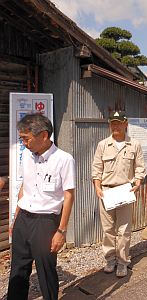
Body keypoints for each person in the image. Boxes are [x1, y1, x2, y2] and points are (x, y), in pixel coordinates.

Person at [7, 114, 75, 300]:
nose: (24, 143)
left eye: (26, 139)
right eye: (22, 138)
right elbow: (24, 187)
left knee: (45, 270)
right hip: (24, 219)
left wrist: (61, 230)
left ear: (43, 136)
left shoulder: (64, 159)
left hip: (45, 222)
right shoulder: (27, 157)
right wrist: (15, 218)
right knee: (18, 269)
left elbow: (69, 196)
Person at [92, 111, 146, 277]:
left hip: (125, 190)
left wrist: (138, 181)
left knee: (123, 230)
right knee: (108, 229)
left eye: (118, 123)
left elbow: (140, 166)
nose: (115, 126)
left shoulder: (134, 144)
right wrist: (97, 186)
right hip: (106, 191)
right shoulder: (103, 145)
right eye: (112, 123)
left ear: (125, 124)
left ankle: (122, 262)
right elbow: (96, 168)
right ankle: (110, 259)